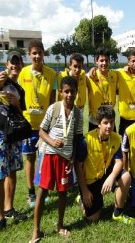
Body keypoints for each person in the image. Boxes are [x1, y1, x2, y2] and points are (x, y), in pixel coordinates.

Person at [30, 77, 83, 242]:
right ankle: (36, 230)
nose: (69, 95)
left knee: (63, 192)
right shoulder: (54, 108)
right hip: (50, 155)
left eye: (72, 91)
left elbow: (76, 139)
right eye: (66, 91)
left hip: (66, 158)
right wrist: (53, 142)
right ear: (61, 92)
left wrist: (73, 159)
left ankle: (60, 225)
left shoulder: (78, 114)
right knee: (43, 191)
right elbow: (41, 131)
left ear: (76, 92)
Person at [0, 52, 28, 239]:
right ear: (7, 63)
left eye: (18, 62)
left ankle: (9, 209)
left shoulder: (20, 88)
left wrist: (17, 102)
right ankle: (0, 218)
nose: (15, 65)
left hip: (14, 133)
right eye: (13, 62)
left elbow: (22, 109)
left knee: (12, 171)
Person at [75, 106, 135, 224]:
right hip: (90, 181)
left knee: (126, 176)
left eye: (111, 122)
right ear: (98, 124)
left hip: (106, 174)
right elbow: (78, 167)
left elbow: (119, 162)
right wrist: (85, 190)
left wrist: (112, 177)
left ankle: (117, 213)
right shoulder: (86, 140)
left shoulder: (116, 138)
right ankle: (81, 199)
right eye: (105, 123)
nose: (109, 126)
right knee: (93, 218)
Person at [18, 39, 57, 207]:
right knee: (30, 159)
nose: (37, 56)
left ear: (43, 54)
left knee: (44, 159)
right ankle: (31, 193)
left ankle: (43, 190)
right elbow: (18, 97)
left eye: (39, 53)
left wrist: (50, 123)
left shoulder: (51, 74)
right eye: (33, 53)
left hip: (44, 126)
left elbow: (53, 99)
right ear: (29, 55)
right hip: (27, 125)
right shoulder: (23, 73)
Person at [87, 48, 118, 131]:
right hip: (95, 121)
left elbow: (127, 70)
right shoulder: (89, 76)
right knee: (94, 144)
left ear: (109, 61)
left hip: (110, 120)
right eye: (101, 60)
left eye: (106, 60)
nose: (104, 63)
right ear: (96, 61)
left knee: (112, 143)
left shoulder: (115, 75)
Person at [117, 50, 135, 136]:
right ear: (128, 62)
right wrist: (94, 68)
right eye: (133, 61)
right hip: (125, 116)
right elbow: (107, 71)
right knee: (125, 144)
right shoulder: (120, 73)